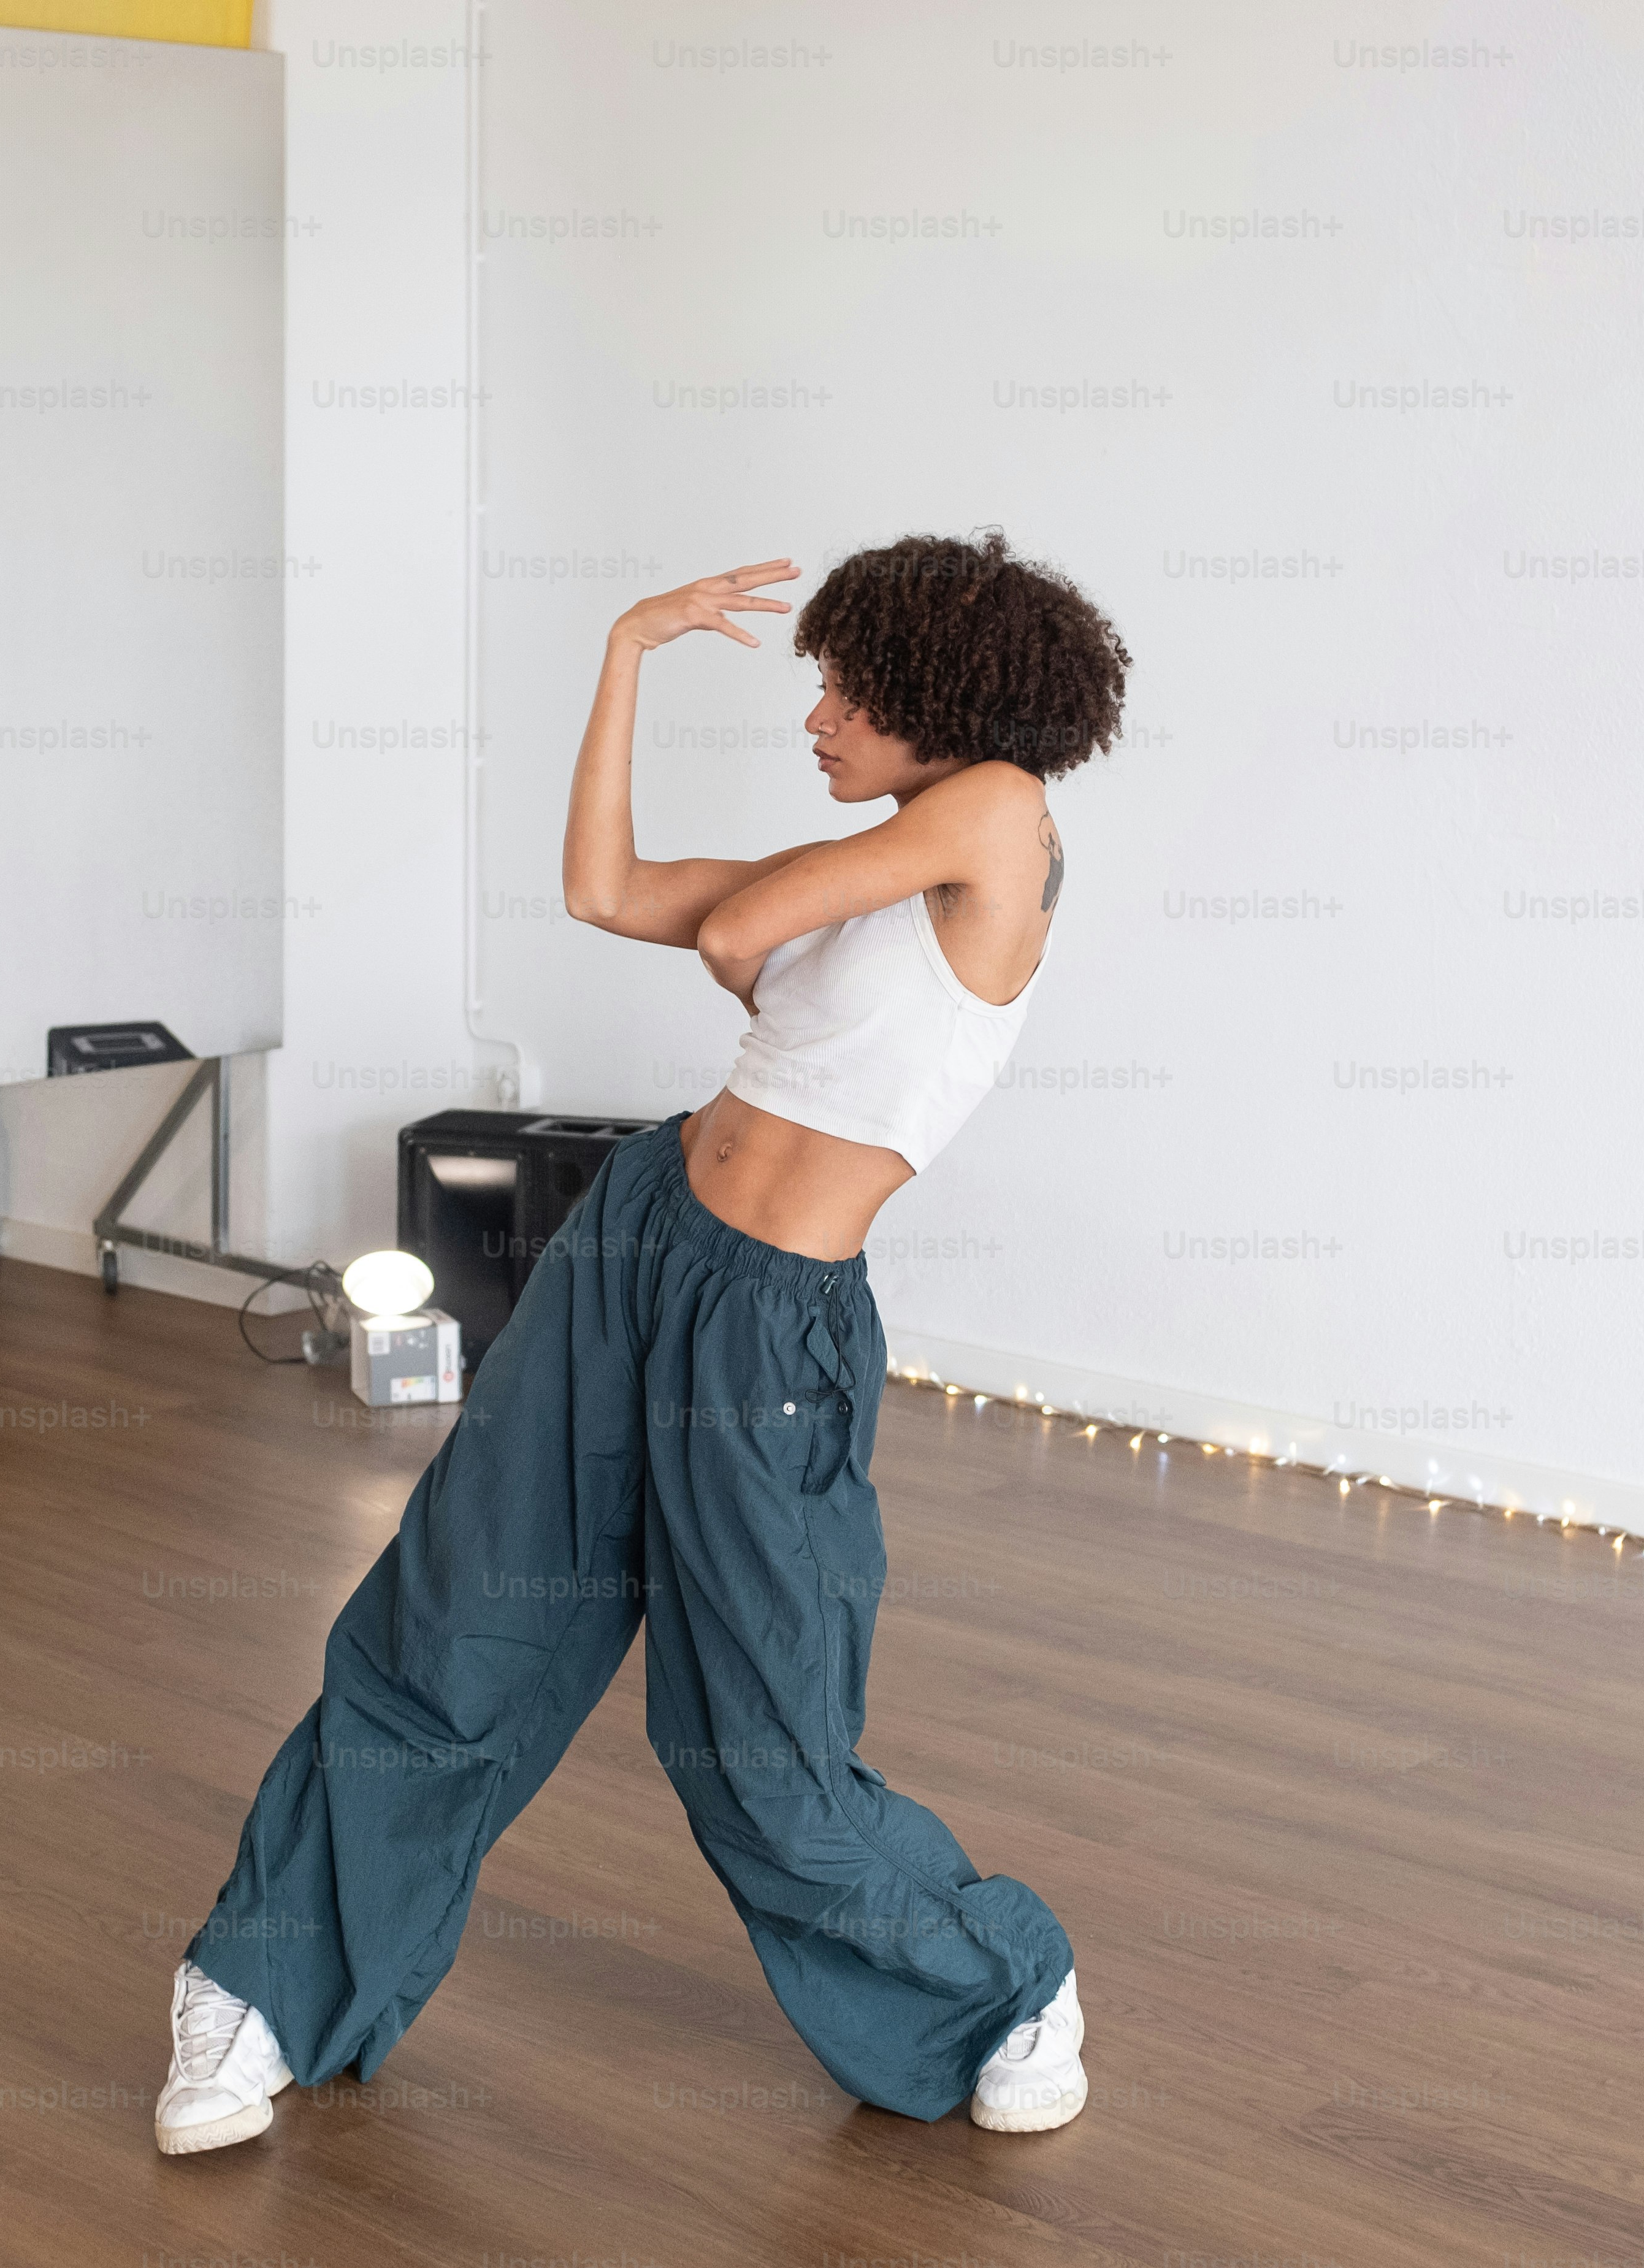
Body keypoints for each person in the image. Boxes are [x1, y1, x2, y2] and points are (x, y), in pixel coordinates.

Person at [153, 529, 1130, 2156]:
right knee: (449, 1620)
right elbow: (604, 891)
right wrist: (621, 647)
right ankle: (258, 1987)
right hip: (637, 1240)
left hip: (768, 1332)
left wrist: (751, 919)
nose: (812, 714)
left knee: (754, 1747)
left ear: (937, 693)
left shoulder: (1002, 820)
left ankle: (1001, 1980)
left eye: (842, 687)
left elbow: (741, 937)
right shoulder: (891, 861)